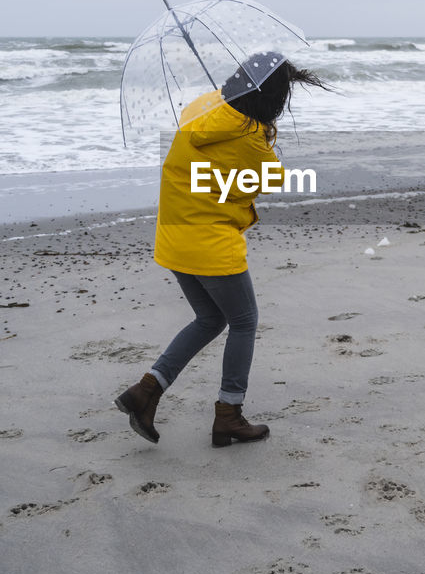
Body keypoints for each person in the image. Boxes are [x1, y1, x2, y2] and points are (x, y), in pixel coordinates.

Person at [115, 52, 329, 447]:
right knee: (244, 321)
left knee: (210, 319)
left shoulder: (203, 106)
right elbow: (268, 180)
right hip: (210, 242)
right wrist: (266, 135)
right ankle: (229, 414)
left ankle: (146, 391)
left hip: (175, 235)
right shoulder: (249, 137)